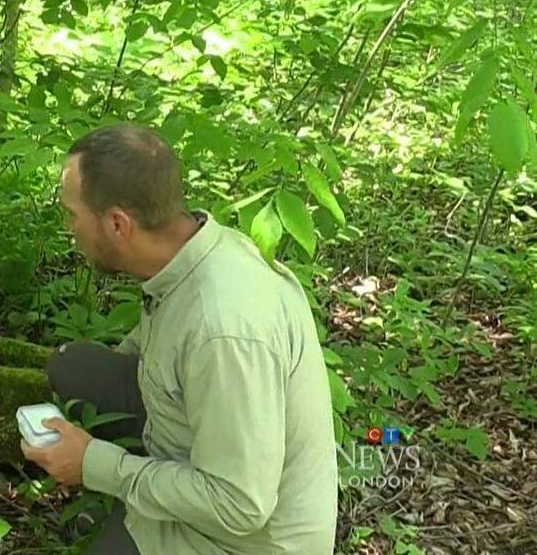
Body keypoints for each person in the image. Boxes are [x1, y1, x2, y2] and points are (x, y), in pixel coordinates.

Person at [21, 124, 338, 554]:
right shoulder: (196, 253)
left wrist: (94, 464)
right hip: (199, 449)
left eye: (72, 214)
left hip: (243, 540)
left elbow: (241, 505)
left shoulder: (223, 328)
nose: (68, 228)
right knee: (74, 368)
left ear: (117, 224)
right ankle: (140, 496)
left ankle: (139, 509)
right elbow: (161, 343)